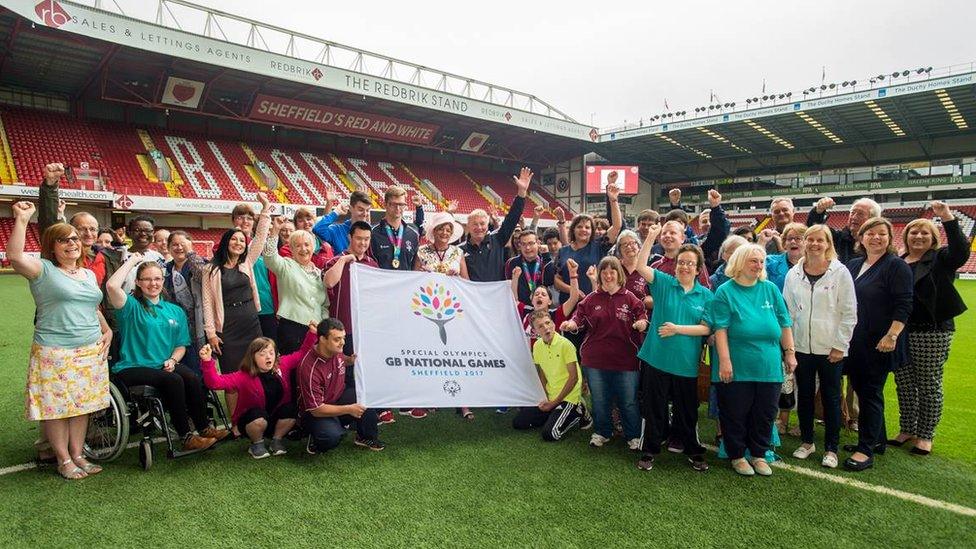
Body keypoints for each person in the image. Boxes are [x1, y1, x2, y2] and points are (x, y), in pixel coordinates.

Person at [9, 202, 112, 479]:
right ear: (51, 246)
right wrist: (22, 219)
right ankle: (63, 458)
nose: (71, 244)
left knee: (82, 405)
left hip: (90, 348)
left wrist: (107, 330)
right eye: (63, 240)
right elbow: (15, 256)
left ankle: (78, 453)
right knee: (57, 408)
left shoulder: (88, 274)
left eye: (75, 239)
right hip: (55, 350)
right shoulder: (42, 270)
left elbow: (91, 306)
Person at [107, 253, 228, 452]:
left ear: (163, 280)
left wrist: (173, 359)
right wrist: (131, 262)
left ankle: (204, 428)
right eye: (146, 279)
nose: (152, 283)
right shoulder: (131, 306)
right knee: (173, 380)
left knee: (191, 376)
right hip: (133, 367)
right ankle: (186, 436)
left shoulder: (175, 311)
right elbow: (112, 286)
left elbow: (181, 345)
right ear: (138, 282)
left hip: (163, 364)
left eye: (157, 278)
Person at [709, 244, 796, 477]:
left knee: (765, 413)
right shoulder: (725, 291)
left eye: (761, 261)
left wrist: (790, 353)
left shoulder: (770, 289)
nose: (759, 265)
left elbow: (784, 322)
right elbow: (721, 329)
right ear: (739, 263)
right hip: (737, 364)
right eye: (753, 261)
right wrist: (725, 361)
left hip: (768, 366)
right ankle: (737, 455)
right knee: (735, 412)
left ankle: (759, 454)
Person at [890, 201, 968, 456]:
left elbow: (960, 251)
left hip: (931, 331)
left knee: (927, 383)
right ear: (906, 236)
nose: (919, 236)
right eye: (914, 232)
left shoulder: (941, 259)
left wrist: (946, 217)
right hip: (902, 330)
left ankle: (925, 435)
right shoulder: (899, 261)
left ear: (933, 237)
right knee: (904, 382)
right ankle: (907, 428)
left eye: (924, 232)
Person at [633, 226, 713, 472]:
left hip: (686, 364)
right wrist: (649, 237)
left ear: (698, 269)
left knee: (687, 411)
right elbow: (640, 266)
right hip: (656, 359)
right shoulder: (665, 283)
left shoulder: (706, 296)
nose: (685, 267)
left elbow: (706, 329)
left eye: (690, 263)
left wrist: (677, 329)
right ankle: (649, 451)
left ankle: (693, 450)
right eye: (681, 262)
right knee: (653, 408)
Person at [783, 225, 857, 468]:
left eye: (820, 240)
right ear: (804, 243)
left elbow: (849, 312)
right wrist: (790, 347)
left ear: (828, 244)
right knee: (803, 396)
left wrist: (840, 345)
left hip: (830, 349)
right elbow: (788, 313)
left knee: (831, 397)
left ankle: (831, 448)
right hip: (802, 347)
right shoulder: (793, 273)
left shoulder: (840, 272)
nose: (814, 244)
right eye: (810, 240)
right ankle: (807, 441)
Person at [843, 217, 913, 471]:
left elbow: (904, 304)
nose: (876, 238)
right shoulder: (853, 265)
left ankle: (865, 450)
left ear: (889, 238)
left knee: (871, 392)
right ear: (861, 238)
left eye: (882, 233)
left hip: (881, 342)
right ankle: (877, 441)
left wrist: (892, 335)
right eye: (870, 233)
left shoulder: (896, 266)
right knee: (864, 389)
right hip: (857, 340)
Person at [560, 257, 648, 449]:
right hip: (595, 360)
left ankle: (633, 435)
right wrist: (571, 324)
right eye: (604, 272)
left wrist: (641, 323)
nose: (608, 275)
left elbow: (642, 316)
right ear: (599, 275)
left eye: (612, 271)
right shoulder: (591, 299)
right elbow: (578, 318)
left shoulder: (630, 298)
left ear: (619, 274)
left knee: (628, 401)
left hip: (626, 360)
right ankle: (602, 432)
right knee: (600, 400)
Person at [203, 193, 272, 420]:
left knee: (258, 369)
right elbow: (207, 303)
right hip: (228, 327)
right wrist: (211, 334)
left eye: (242, 241)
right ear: (226, 241)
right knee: (232, 377)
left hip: (250, 322)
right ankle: (235, 422)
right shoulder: (211, 270)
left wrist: (265, 209)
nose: (239, 243)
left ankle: (260, 413)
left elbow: (261, 237)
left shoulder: (246, 263)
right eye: (234, 240)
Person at [200, 326, 316, 459]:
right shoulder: (242, 376)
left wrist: (312, 333)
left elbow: (302, 354)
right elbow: (214, 383)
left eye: (271, 353)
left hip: (273, 419)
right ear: (252, 357)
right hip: (252, 421)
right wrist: (207, 361)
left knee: (291, 409)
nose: (268, 357)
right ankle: (257, 443)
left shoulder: (282, 365)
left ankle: (276, 440)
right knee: (258, 416)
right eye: (262, 353)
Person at [298, 318, 385, 453]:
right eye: (337, 339)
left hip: (337, 398)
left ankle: (364, 437)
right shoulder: (309, 368)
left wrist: (351, 360)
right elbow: (316, 409)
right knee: (331, 436)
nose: (343, 342)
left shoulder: (335, 352)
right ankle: (316, 438)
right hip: (316, 412)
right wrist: (349, 409)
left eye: (343, 338)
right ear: (322, 339)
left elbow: (342, 359)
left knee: (364, 396)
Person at [513, 309, 590, 441]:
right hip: (550, 395)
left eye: (548, 323)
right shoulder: (537, 346)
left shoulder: (565, 345)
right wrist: (544, 397)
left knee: (550, 434)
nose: (546, 328)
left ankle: (579, 412)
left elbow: (574, 378)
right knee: (519, 423)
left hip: (568, 397)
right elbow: (542, 373)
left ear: (553, 324)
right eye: (540, 326)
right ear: (535, 331)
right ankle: (555, 414)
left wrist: (554, 402)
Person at [262, 216, 329, 354]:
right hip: (291, 330)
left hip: (316, 331)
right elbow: (269, 257)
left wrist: (322, 324)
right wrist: (275, 231)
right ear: (291, 249)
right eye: (297, 245)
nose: (303, 249)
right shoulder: (286, 265)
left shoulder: (319, 273)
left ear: (313, 247)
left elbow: (324, 305)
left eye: (306, 244)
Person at [554, 183, 623, 302]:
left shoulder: (599, 246)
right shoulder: (563, 250)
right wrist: (572, 290)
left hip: (596, 302)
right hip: (568, 303)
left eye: (587, 227)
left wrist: (613, 200)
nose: (583, 230)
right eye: (579, 226)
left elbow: (617, 226)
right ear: (573, 229)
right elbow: (557, 280)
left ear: (592, 231)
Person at [461, 168, 532, 282]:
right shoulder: (460, 250)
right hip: (473, 299)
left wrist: (521, 192)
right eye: (475, 224)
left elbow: (512, 218)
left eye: (482, 224)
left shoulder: (498, 238)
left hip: (497, 297)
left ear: (487, 224)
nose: (479, 228)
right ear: (468, 226)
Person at [324, 221, 379, 356]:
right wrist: (343, 260)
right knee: (344, 371)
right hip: (342, 329)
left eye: (366, 239)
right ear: (350, 237)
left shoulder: (372, 264)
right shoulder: (335, 261)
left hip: (365, 328)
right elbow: (329, 283)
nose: (363, 243)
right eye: (359, 238)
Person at [164, 230, 207, 374]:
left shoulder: (199, 262)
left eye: (182, 244)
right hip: (175, 323)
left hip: (198, 322)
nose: (179, 247)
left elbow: (203, 276)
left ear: (190, 245)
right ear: (169, 248)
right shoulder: (165, 269)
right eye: (174, 244)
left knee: (198, 363)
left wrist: (191, 254)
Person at [512, 259, 580, 344]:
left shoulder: (556, 314)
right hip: (529, 356)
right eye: (536, 294)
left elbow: (573, 298)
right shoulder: (526, 312)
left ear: (550, 301)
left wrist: (573, 275)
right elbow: (513, 300)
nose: (539, 296)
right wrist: (515, 278)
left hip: (551, 356)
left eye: (543, 295)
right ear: (531, 300)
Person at [807, 196, 882, 263]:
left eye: (860, 214)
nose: (854, 217)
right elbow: (814, 229)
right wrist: (819, 211)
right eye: (852, 213)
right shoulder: (838, 239)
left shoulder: (879, 245)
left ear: (872, 219)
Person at [371, 186, 420, 272]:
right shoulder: (373, 233)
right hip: (381, 284)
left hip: (405, 284)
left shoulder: (413, 234)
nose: (398, 208)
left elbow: (414, 268)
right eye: (393, 204)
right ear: (385, 205)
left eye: (401, 204)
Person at [505, 230, 547, 305]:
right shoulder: (511, 263)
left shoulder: (545, 261)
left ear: (538, 243)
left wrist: (547, 256)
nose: (527, 248)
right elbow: (507, 288)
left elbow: (550, 282)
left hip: (542, 309)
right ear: (519, 246)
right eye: (523, 244)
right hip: (519, 309)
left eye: (531, 243)